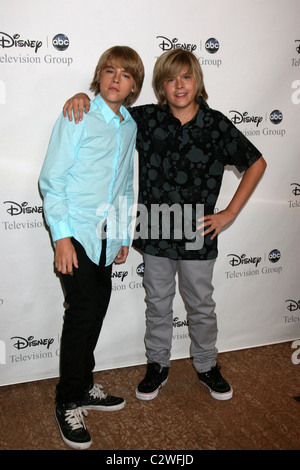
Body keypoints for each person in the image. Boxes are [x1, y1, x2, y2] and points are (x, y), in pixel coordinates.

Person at [63, 49, 267, 404]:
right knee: (157, 303)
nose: (179, 85)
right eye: (170, 79)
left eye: (185, 77)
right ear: (160, 86)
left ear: (197, 80)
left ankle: (206, 365)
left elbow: (256, 163)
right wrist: (84, 96)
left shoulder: (217, 124)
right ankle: (157, 365)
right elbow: (109, 108)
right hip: (154, 233)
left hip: (198, 234)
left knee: (201, 304)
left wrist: (229, 214)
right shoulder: (144, 119)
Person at [39, 46, 144, 450]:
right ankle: (67, 400)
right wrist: (61, 238)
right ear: (99, 76)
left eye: (126, 74)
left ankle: (83, 386)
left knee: (96, 308)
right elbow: (52, 179)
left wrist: (121, 236)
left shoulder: (130, 124)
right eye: (109, 71)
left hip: (106, 236)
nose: (116, 78)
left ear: (134, 85)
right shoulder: (78, 113)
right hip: (76, 234)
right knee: (82, 313)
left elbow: (125, 184)